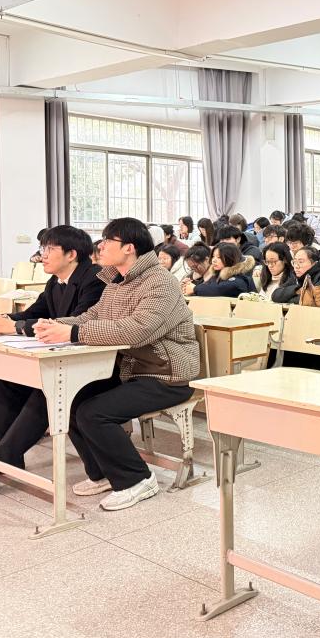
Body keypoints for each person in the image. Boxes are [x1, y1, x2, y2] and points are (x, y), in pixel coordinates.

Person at [38, 218, 199, 511]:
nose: (100, 247)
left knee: (94, 413)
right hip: (132, 370)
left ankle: (137, 479)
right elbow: (90, 317)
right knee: (71, 403)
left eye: (106, 241)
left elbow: (137, 330)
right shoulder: (117, 281)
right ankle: (103, 474)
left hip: (166, 373)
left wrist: (73, 333)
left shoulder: (160, 281)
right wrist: (51, 325)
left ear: (129, 248)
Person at [0, 226, 106, 505]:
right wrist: (3, 319)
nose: (42, 255)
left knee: (47, 390)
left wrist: (16, 327)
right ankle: (9, 453)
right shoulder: (55, 281)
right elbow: (34, 313)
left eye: (49, 249)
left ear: (71, 254)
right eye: (42, 249)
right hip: (62, 357)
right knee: (7, 376)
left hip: (93, 363)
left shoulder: (94, 279)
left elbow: (76, 322)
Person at [185, 242, 257, 297]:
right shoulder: (217, 274)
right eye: (213, 256)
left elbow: (219, 289)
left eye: (219, 257)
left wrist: (194, 289)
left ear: (230, 258)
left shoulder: (240, 277)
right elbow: (208, 286)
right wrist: (188, 285)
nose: (214, 260)